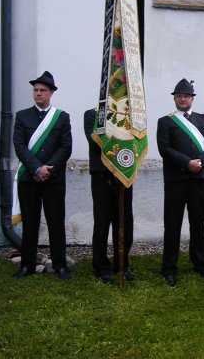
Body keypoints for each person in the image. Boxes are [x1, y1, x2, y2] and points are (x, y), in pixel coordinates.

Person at [157, 79, 204, 286]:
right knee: (172, 225)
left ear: (192, 98)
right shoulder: (165, 122)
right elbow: (164, 149)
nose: (182, 99)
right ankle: (169, 268)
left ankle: (200, 264)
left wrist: (200, 162)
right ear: (174, 98)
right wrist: (187, 163)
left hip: (199, 179)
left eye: (186, 96)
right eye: (179, 96)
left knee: (197, 224)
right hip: (176, 180)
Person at [12, 71, 72, 279]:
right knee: (30, 222)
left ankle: (60, 264)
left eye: (42, 90)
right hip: (29, 178)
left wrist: (48, 169)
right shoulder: (22, 116)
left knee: (56, 222)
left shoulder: (62, 118)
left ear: (51, 93)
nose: (38, 94)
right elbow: (19, 146)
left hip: (53, 179)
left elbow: (66, 148)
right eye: (35, 90)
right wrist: (36, 168)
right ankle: (27, 264)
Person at [84, 108, 134, 284]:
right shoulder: (92, 114)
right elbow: (94, 141)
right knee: (102, 222)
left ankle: (122, 264)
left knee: (125, 221)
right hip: (101, 174)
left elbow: (136, 139)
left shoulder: (128, 114)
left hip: (124, 171)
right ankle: (101, 266)